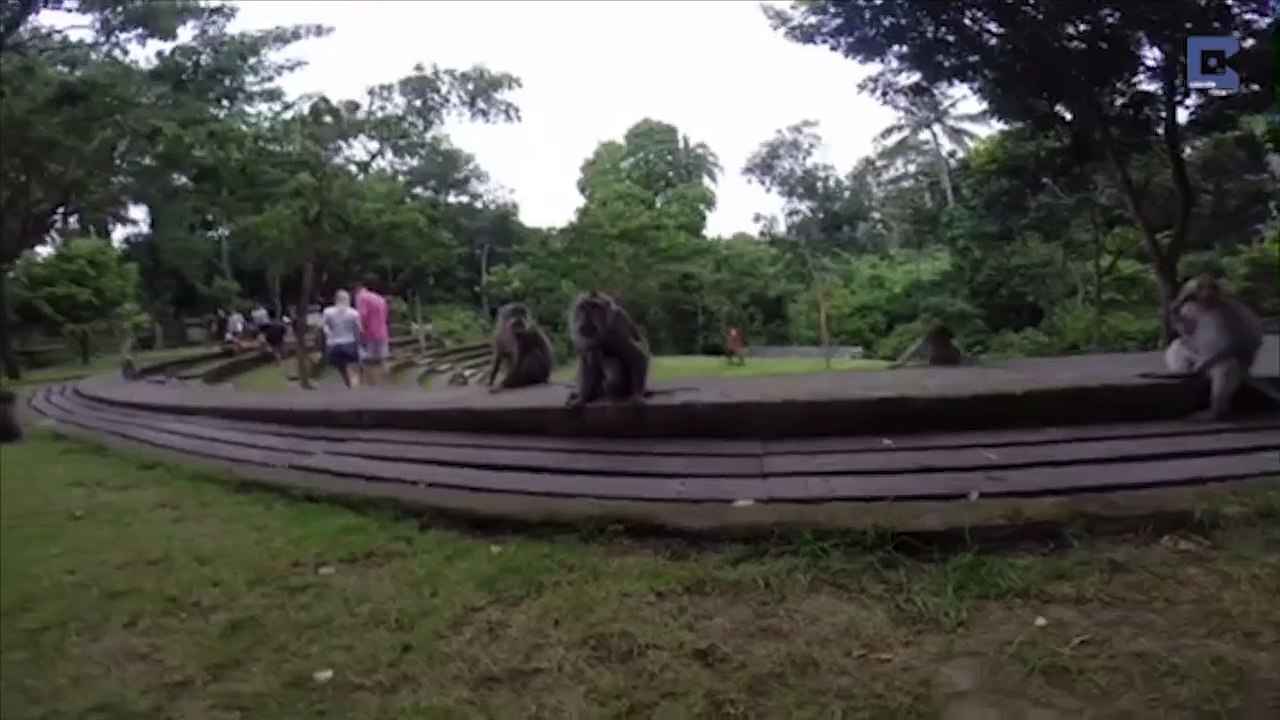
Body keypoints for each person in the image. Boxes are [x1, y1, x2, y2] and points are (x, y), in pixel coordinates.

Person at [322, 290, 363, 388]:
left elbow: (323, 326)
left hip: (333, 345)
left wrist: (328, 334)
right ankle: (354, 386)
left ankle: (348, 383)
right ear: (348, 300)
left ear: (335, 299)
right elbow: (359, 329)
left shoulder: (327, 311)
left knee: (341, 366)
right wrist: (360, 341)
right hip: (349, 343)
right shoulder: (354, 313)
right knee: (356, 367)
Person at [354, 281, 390, 386]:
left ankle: (371, 383)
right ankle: (386, 382)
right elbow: (386, 315)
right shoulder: (379, 298)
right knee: (382, 358)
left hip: (369, 333)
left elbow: (362, 315)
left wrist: (360, 329)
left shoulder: (361, 297)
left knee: (368, 359)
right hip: (382, 331)